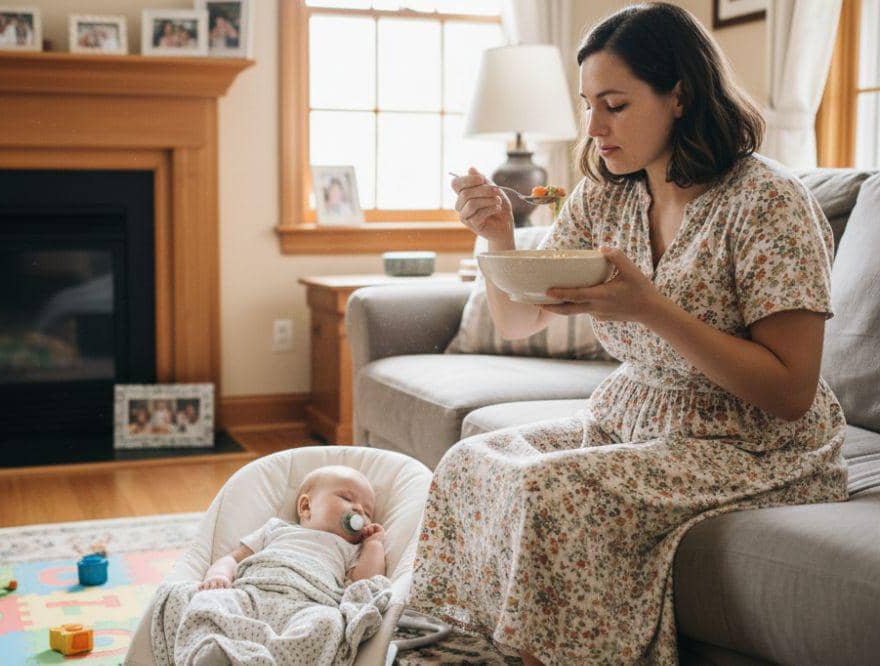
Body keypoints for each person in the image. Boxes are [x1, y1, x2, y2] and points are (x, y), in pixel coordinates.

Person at [411, 3, 848, 664]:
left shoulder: (768, 202)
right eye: (589, 104)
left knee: (545, 489)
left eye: (613, 104)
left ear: (680, 94)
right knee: (472, 462)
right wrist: (497, 236)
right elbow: (519, 318)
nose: (594, 127)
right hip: (630, 416)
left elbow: (789, 392)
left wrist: (653, 309)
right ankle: (457, 648)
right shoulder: (603, 196)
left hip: (756, 444)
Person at [152, 465, 390, 664]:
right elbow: (233, 558)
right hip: (251, 595)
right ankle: (209, 652)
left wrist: (374, 544)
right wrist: (220, 575)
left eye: (367, 511)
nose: (359, 509)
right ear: (306, 507)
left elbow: (365, 583)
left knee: (329, 624)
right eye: (347, 498)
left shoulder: (351, 548)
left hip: (308, 605)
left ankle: (258, 660)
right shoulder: (276, 529)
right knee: (205, 601)